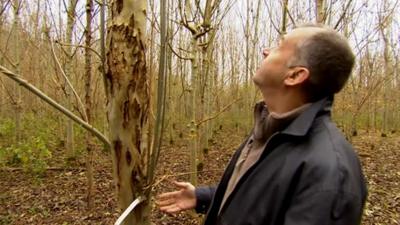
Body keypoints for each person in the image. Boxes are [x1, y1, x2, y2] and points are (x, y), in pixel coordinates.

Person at [157, 24, 367, 225]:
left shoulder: (329, 174)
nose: (266, 51)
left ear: (295, 75)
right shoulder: (271, 130)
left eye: (279, 46)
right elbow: (262, 199)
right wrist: (204, 197)